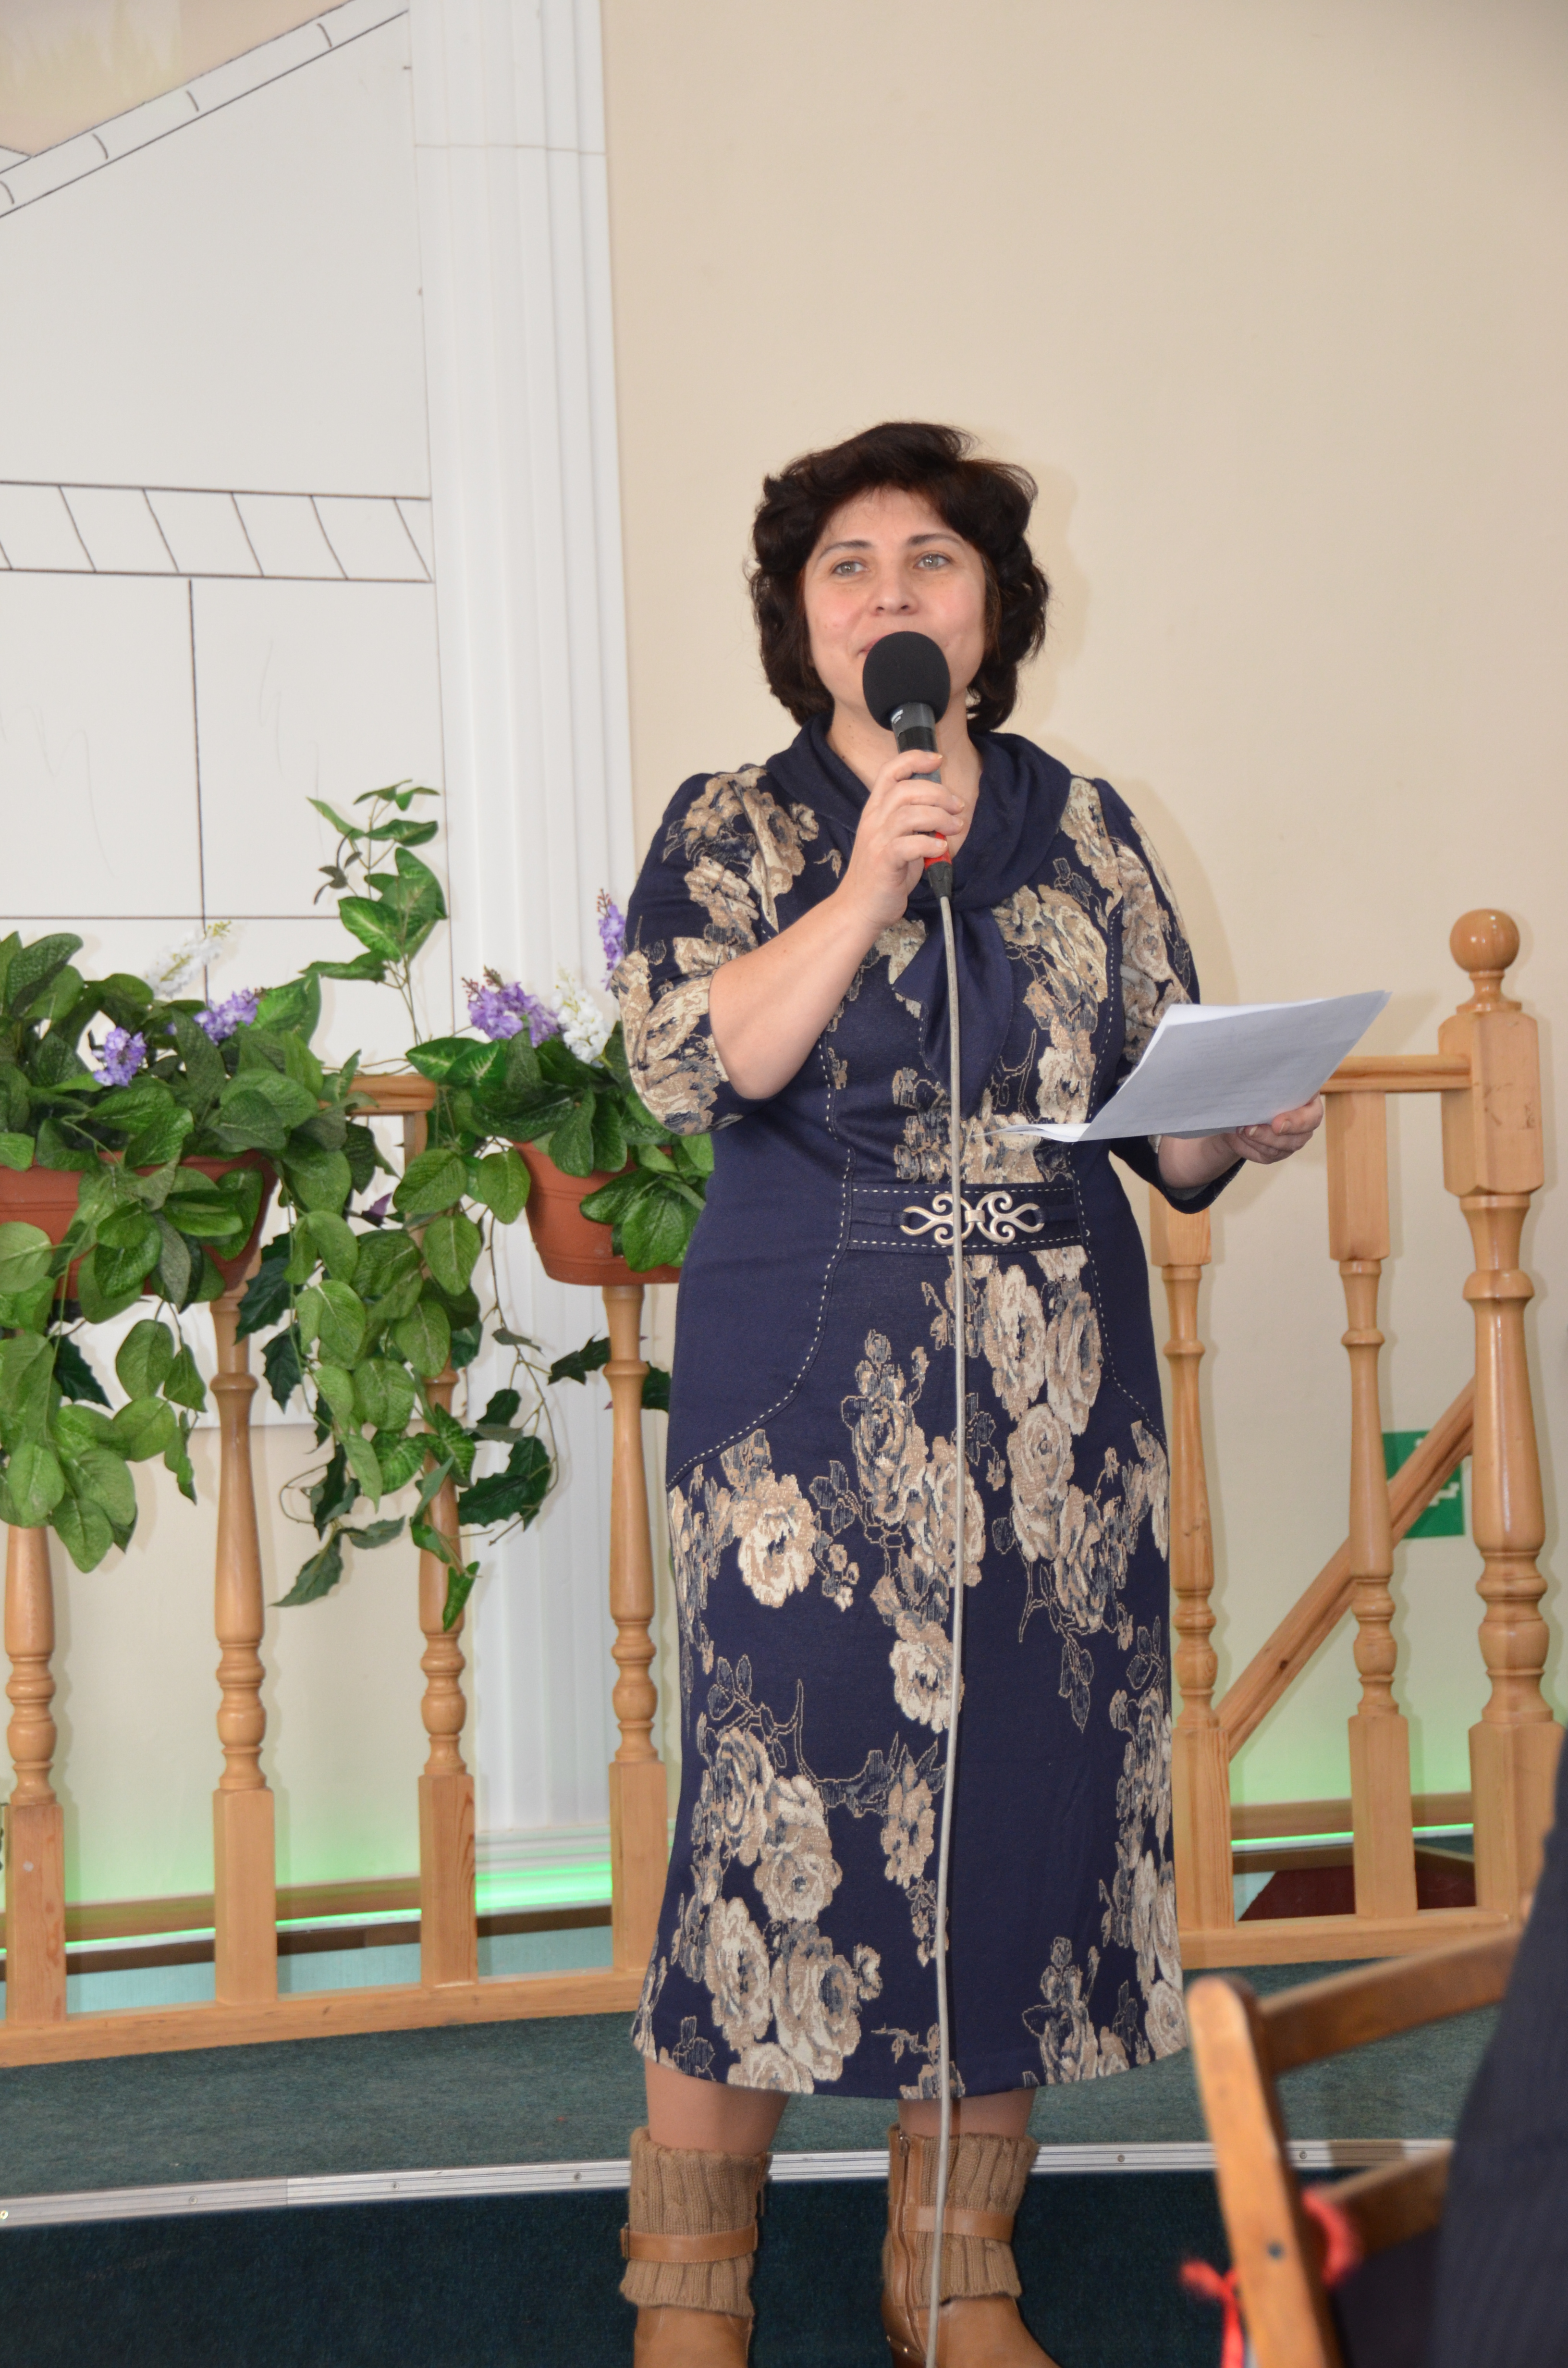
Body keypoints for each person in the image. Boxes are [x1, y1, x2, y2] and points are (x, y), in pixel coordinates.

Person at [609, 421, 1323, 2367]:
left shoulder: (1087, 826)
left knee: (1014, 1813)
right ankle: (691, 2302)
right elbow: (689, 1066)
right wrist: (863, 882)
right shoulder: (736, 824)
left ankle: (955, 2277)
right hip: (803, 1394)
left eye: (930, 559)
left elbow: (1161, 1132)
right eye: (847, 567)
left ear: (990, 608)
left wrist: (1241, 1123)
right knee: (770, 1815)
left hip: (1057, 1398)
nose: (891, 594)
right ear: (803, 623)